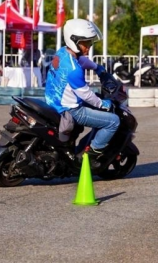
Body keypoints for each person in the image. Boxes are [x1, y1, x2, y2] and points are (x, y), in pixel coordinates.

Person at [44, 19, 118, 162]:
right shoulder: (74, 70)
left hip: (52, 102)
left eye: (90, 43)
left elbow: (81, 60)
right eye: (86, 43)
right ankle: (90, 155)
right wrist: (104, 104)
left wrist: (97, 68)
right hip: (70, 110)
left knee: (97, 102)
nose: (89, 47)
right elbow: (86, 95)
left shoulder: (62, 53)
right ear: (74, 41)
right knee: (113, 121)